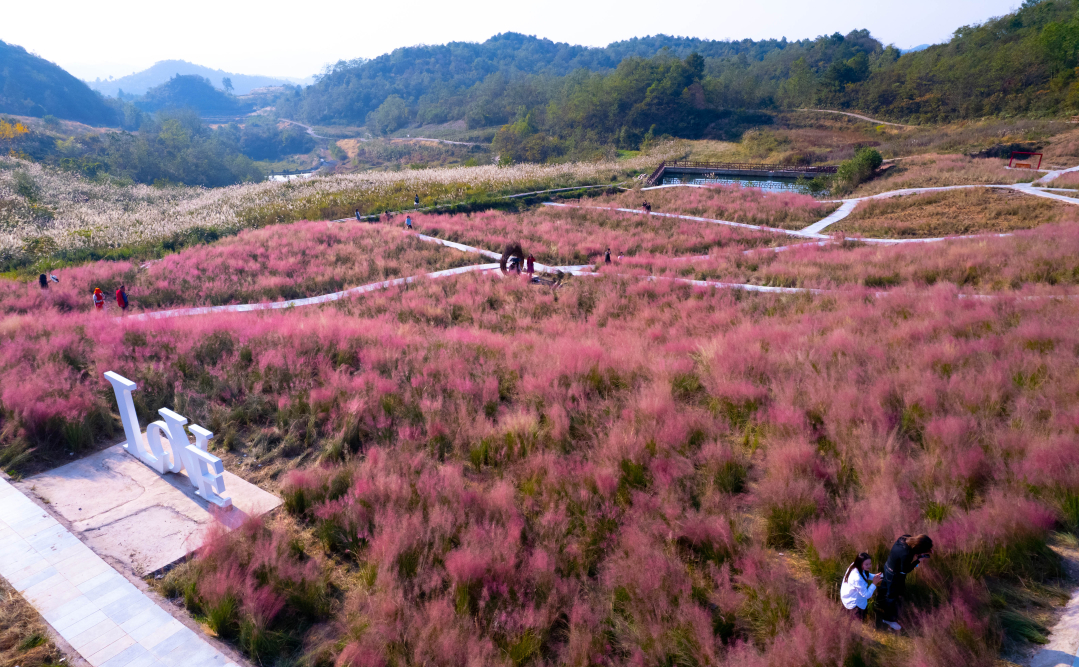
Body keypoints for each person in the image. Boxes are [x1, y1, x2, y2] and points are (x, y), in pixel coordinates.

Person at [880, 534, 933, 632]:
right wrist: (918, 560)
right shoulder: (907, 554)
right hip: (894, 575)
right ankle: (887, 619)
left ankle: (879, 607)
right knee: (892, 596)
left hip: (888, 566)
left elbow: (902, 556)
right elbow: (905, 570)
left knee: (884, 589)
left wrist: (918, 553)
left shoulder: (904, 537)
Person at [841, 552, 882, 621]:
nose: (869, 566)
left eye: (870, 563)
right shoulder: (857, 578)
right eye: (866, 564)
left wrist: (875, 576)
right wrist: (874, 583)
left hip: (850, 596)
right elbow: (866, 594)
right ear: (860, 563)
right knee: (854, 624)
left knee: (847, 621)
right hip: (853, 603)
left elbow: (865, 575)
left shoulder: (854, 565)